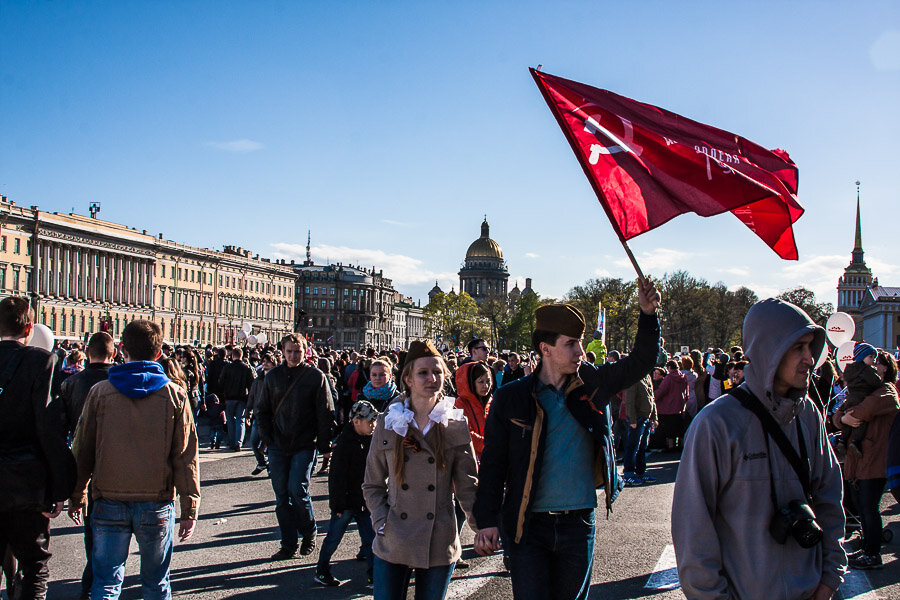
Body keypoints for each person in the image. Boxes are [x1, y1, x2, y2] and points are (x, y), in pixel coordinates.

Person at [473, 278, 661, 600]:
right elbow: (493, 464)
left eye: (580, 342)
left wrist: (647, 314)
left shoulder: (591, 383)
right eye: (571, 343)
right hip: (528, 526)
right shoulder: (511, 398)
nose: (580, 351)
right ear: (546, 349)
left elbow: (642, 360)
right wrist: (486, 520)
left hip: (578, 525)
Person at [672, 298, 846, 600]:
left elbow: (830, 500)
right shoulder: (716, 423)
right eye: (797, 347)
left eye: (811, 347)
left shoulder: (808, 416)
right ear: (769, 349)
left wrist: (829, 579)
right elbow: (693, 528)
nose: (810, 359)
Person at [69, 319, 200, 600]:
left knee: (105, 583)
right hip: (156, 501)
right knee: (156, 584)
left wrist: (77, 493)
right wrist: (190, 507)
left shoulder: (101, 392)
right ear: (158, 353)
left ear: (122, 350)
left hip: (108, 498)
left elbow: (83, 449)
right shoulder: (174, 395)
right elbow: (185, 456)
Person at [362, 340, 479, 600]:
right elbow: (372, 483)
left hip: (438, 538)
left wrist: (483, 526)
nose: (432, 378)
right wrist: (381, 522)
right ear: (408, 379)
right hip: (394, 537)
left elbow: (467, 486)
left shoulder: (455, 423)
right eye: (423, 373)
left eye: (437, 372)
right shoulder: (389, 422)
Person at [0, 296, 76, 600]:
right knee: (34, 565)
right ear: (29, 328)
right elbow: (47, 427)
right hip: (26, 482)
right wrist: (60, 487)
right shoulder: (40, 361)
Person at [255, 334, 334, 560]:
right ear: (283, 351)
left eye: (297, 351)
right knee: (281, 496)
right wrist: (268, 439)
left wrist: (324, 442)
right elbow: (262, 410)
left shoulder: (315, 376)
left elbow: (325, 412)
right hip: (278, 444)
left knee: (297, 489)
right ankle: (288, 543)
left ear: (305, 351)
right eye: (289, 351)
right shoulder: (273, 377)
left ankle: (309, 531)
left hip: (304, 443)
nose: (293, 355)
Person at [57, 331, 115, 599]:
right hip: (111, 459)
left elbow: (63, 426)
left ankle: (90, 583)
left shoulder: (73, 383)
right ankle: (100, 581)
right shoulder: (118, 381)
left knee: (91, 526)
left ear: (87, 353)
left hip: (80, 455)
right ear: (113, 353)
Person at [831, 350, 899, 569]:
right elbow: (837, 417)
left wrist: (848, 416)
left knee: (870, 507)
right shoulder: (862, 391)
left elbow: (866, 410)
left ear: (884, 368)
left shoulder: (887, 391)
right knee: (862, 507)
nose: (869, 367)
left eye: (873, 363)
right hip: (858, 461)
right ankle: (868, 545)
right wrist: (844, 418)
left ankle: (873, 554)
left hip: (875, 460)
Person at [314, 400, 379, 587]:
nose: (373, 424)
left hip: (365, 500)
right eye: (369, 421)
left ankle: (374, 575)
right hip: (347, 503)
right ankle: (322, 570)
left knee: (371, 540)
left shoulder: (372, 440)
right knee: (333, 538)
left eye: (374, 421)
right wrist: (337, 505)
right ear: (356, 421)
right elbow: (336, 478)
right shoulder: (344, 444)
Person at [838, 343, 882, 459]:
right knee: (860, 421)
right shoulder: (866, 370)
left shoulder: (850, 369)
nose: (873, 360)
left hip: (851, 397)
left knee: (849, 416)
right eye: (871, 357)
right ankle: (856, 441)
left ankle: (843, 439)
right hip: (862, 397)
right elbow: (875, 382)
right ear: (862, 356)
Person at [622, 374, 657, 486]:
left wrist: (654, 417)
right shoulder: (634, 377)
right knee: (633, 446)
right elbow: (629, 400)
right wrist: (632, 420)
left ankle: (641, 471)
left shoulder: (647, 377)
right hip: (637, 418)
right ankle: (628, 473)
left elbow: (652, 398)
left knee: (642, 447)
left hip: (646, 417)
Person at [218, 347, 256, 451]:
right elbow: (251, 384)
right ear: (242, 355)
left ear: (232, 356)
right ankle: (238, 442)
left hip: (229, 397)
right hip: (242, 397)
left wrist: (224, 392)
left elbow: (221, 382)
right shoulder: (247, 368)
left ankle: (231, 441)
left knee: (230, 420)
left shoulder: (227, 367)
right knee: (241, 420)